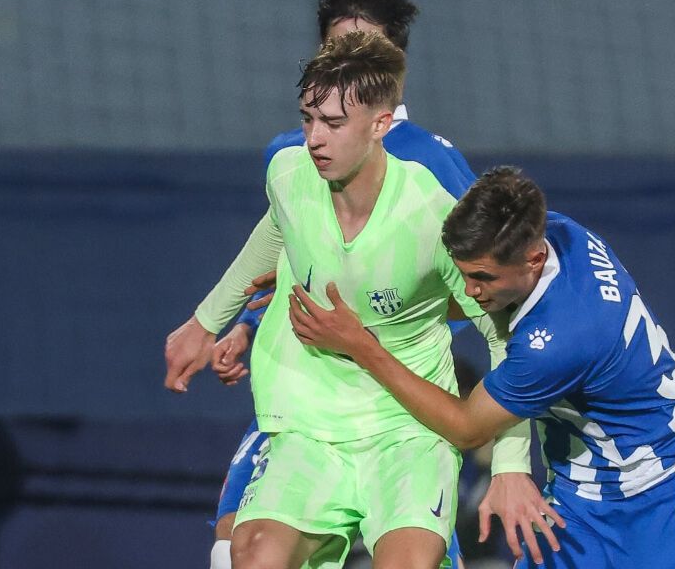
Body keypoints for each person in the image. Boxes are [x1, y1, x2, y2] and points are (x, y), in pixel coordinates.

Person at [164, 32, 552, 569]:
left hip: (407, 433)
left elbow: (502, 331)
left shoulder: (433, 218)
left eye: (334, 124)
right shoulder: (288, 173)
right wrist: (205, 321)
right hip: (308, 423)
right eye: (308, 119)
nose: (315, 139)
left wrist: (511, 464)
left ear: (381, 125)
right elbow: (277, 228)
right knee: (250, 557)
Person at [287, 166, 675, 568]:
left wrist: (361, 346)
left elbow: (466, 428)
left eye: (482, 278)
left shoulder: (560, 340)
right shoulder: (556, 233)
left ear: (533, 260)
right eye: (464, 274)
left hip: (665, 486)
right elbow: (478, 301)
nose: (470, 292)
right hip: (581, 489)